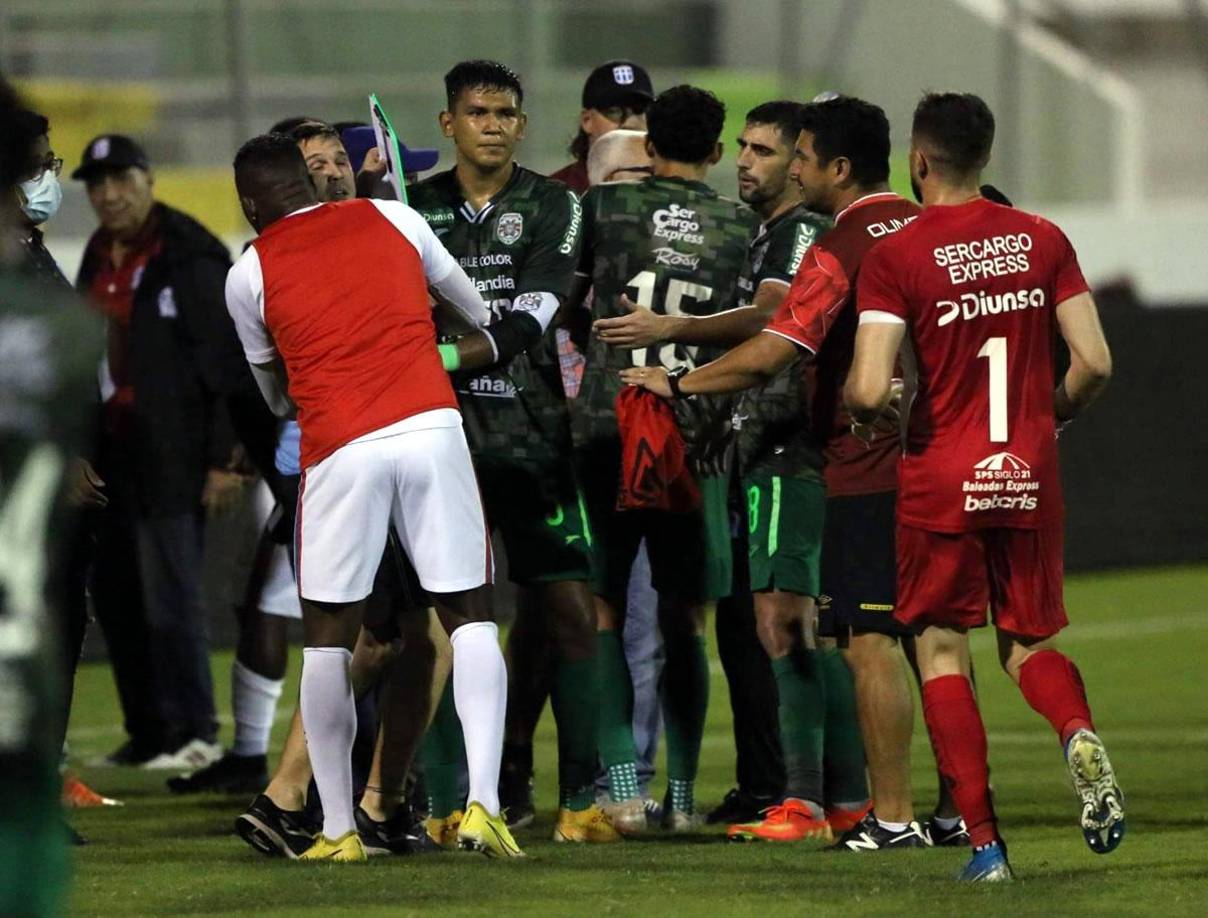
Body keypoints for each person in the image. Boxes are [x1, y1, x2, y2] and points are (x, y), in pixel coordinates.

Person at [620, 95, 934, 850]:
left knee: (804, 625)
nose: (766, 165)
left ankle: (819, 801)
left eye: (783, 154)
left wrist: (678, 373)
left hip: (811, 450)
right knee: (885, 631)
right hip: (915, 453)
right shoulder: (919, 228)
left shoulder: (824, 240)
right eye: (752, 149)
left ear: (833, 167)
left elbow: (774, 341)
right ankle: (886, 803)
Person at [845, 91, 1122, 882]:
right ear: (986, 156)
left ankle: (986, 847)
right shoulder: (1042, 238)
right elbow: (1095, 364)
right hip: (1026, 469)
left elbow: (867, 387)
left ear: (918, 160)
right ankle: (1075, 730)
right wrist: (1049, 414)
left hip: (940, 477)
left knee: (939, 650)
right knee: (1028, 644)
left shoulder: (898, 254)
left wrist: (869, 411)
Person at [226, 132, 523, 862]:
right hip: (430, 427)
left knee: (328, 641)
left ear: (250, 205)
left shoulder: (249, 271)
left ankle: (337, 830)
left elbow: (276, 396)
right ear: (307, 181)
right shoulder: (395, 217)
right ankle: (485, 807)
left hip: (339, 448)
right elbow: (476, 311)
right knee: (469, 618)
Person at [407, 60, 618, 845]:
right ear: (448, 123)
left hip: (533, 437)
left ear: (522, 126)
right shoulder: (412, 208)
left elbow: (536, 311)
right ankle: (443, 803)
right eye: (477, 112)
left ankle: (581, 803)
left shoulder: (555, 205)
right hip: (441, 441)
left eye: (504, 114)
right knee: (445, 625)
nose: (492, 126)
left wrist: (443, 355)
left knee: (571, 612)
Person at [572, 84, 756, 832]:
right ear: (716, 151)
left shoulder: (604, 208)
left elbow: (567, 303)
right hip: (694, 434)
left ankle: (621, 787)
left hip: (607, 424)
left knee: (604, 607)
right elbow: (759, 324)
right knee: (686, 618)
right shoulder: (743, 224)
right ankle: (679, 799)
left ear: (648, 147)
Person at [72, 133, 249, 770]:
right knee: (118, 596)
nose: (109, 195)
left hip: (175, 451)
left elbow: (226, 359)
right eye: (98, 184)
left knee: (172, 595)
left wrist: (225, 459)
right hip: (113, 450)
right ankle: (148, 731)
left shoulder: (188, 252)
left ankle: (196, 732)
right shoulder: (98, 252)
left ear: (148, 179)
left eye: (121, 180)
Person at [551, 60, 654, 194]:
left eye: (639, 110)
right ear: (587, 120)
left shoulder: (670, 190)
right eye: (614, 111)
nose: (630, 123)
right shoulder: (553, 194)